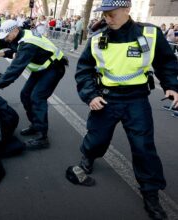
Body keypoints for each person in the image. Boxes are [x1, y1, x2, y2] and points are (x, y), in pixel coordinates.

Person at [72, 0, 178, 219]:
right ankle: (88, 157)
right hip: (106, 99)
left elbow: (166, 63)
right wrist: (91, 95)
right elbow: (83, 71)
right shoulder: (97, 38)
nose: (107, 19)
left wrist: (171, 86)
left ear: (126, 9)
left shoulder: (150, 33)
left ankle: (150, 193)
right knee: (97, 138)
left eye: (111, 14)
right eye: (104, 14)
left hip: (136, 100)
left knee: (143, 147)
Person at [0, 20, 68, 150]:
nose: (6, 39)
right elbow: (18, 51)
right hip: (41, 68)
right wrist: (4, 53)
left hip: (54, 68)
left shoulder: (28, 42)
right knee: (25, 94)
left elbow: (15, 68)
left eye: (7, 35)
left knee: (37, 97)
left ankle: (42, 137)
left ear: (15, 30)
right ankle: (35, 124)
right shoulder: (23, 35)